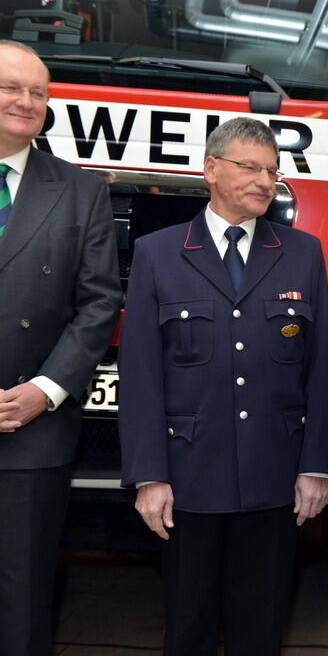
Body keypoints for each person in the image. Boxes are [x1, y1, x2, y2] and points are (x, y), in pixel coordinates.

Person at [117, 117, 328, 655]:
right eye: (251, 167)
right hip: (188, 480)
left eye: (273, 171)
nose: (265, 181)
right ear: (211, 169)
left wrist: (315, 467)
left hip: (273, 478)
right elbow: (141, 375)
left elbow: (319, 369)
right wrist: (149, 477)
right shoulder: (159, 253)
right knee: (188, 625)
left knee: (260, 629)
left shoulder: (302, 253)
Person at [0, 41, 120, 656]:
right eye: (10, 87)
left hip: (31, 432)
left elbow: (100, 302)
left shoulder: (81, 192)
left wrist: (43, 392)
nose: (26, 102)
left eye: (38, 93)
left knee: (22, 605)